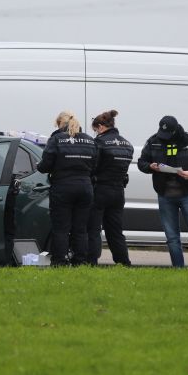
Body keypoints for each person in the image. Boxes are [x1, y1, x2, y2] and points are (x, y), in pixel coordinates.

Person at [137, 115, 188, 267]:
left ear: (176, 130)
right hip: (164, 194)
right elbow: (141, 162)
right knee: (172, 237)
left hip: (187, 193)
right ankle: (177, 268)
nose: (164, 138)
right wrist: (149, 167)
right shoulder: (153, 141)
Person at [37, 111, 98, 266]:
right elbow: (95, 165)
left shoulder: (56, 139)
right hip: (85, 188)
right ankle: (80, 261)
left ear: (60, 124)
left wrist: (40, 165)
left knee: (61, 228)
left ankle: (59, 262)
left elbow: (45, 166)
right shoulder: (90, 141)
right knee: (81, 229)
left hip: (63, 188)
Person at [85, 110, 135, 266]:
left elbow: (92, 166)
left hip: (99, 190)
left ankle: (91, 262)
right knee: (115, 231)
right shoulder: (127, 144)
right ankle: (123, 263)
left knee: (93, 229)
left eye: (95, 130)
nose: (95, 134)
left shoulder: (99, 143)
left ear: (100, 127)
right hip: (118, 192)